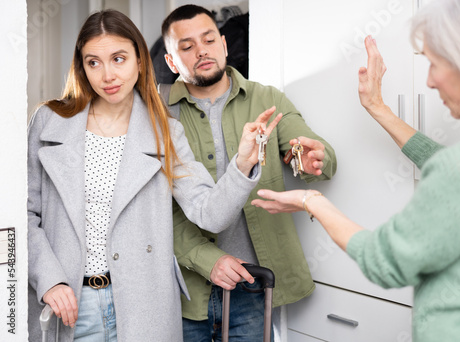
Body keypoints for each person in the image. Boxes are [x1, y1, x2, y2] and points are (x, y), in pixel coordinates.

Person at [27, 9, 282, 342]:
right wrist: (49, 279)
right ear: (82, 66)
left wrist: (243, 162)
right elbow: (23, 213)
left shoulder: (165, 130)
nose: (107, 75)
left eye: (119, 58)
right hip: (71, 303)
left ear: (140, 61)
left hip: (142, 307)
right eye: (94, 62)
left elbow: (209, 213)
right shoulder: (48, 121)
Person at [252, 0, 460, 340]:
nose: (429, 82)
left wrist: (312, 200)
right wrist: (378, 107)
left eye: (434, 64)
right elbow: (448, 162)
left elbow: (383, 261)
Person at [160, 4, 337, 341]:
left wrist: (315, 157)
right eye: (186, 47)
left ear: (224, 44)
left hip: (252, 286)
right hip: (182, 290)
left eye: (209, 39)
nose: (201, 52)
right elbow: (154, 210)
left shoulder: (267, 99)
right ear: (171, 61)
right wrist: (204, 258)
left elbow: (317, 154)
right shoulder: (156, 113)